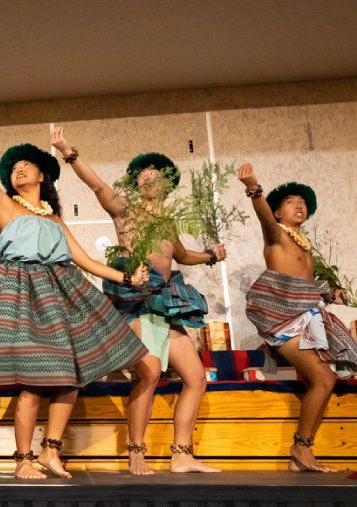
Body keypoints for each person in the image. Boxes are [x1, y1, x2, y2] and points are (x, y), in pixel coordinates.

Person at [0, 99, 149, 479]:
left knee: (69, 378)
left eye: (25, 166)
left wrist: (125, 278)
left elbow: (85, 261)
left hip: (58, 294)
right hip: (17, 296)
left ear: (43, 175)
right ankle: (23, 460)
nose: (18, 171)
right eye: (13, 169)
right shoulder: (5, 207)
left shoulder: (56, 219)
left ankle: (50, 451)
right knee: (32, 383)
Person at [58, 130, 224, 474]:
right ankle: (136, 452)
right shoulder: (126, 211)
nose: (148, 176)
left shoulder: (167, 221)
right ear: (137, 184)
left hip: (165, 303)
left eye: (155, 173)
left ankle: (181, 454)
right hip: (135, 301)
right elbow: (99, 187)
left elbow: (180, 255)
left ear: (167, 182)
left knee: (195, 377)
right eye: (143, 174)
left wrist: (210, 256)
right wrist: (69, 153)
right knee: (148, 375)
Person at [239, 163, 356, 473]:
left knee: (325, 380)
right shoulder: (276, 236)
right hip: (283, 319)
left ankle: (301, 452)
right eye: (291, 201)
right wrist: (254, 188)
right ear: (278, 213)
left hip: (308, 315)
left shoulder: (305, 246)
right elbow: (263, 215)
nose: (299, 205)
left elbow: (305, 284)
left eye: (302, 202)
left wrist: (330, 295)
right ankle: (300, 448)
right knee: (322, 379)